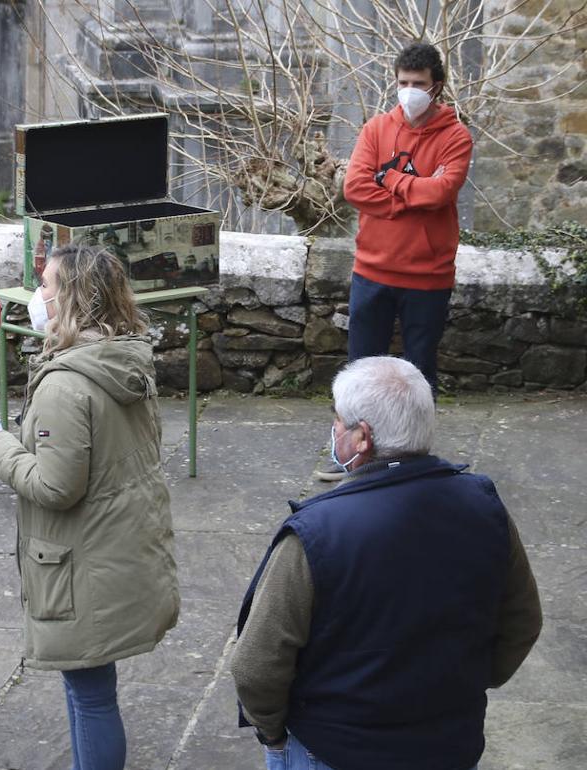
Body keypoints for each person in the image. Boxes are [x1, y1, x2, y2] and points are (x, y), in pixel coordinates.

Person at [232, 356, 543, 770]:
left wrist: (272, 735)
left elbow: (256, 666)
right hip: (448, 745)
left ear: (362, 437)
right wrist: (463, 688)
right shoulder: (486, 509)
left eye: (338, 420)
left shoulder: (315, 533)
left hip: (333, 750)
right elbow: (522, 621)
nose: (334, 429)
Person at [0, 244, 180, 770]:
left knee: (90, 696)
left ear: (74, 301)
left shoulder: (66, 385)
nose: (38, 295)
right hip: (119, 551)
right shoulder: (126, 358)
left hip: (81, 566)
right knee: (91, 686)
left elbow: (58, 487)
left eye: (47, 285)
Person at [342, 42, 474, 394]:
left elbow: (441, 193)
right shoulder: (376, 130)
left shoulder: (456, 137)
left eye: (418, 84)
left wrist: (389, 179)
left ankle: (416, 448)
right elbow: (354, 189)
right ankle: (358, 445)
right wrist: (414, 196)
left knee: (419, 377)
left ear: (437, 87)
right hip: (372, 271)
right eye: (403, 83)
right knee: (361, 374)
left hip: (428, 277)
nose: (409, 92)